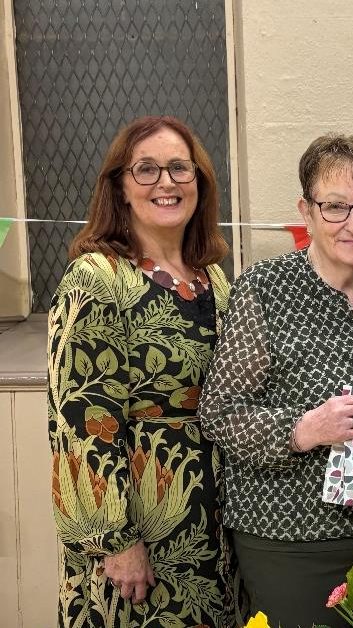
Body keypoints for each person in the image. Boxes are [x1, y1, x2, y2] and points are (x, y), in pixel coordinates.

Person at [198, 133, 353, 627]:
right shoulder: (266, 288)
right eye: (336, 208)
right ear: (306, 210)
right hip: (289, 538)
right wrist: (301, 430)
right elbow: (218, 411)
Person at [47, 115, 234, 626]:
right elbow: (80, 419)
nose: (166, 183)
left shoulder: (214, 278)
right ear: (120, 188)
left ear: (199, 181)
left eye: (179, 168)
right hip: (140, 533)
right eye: (146, 170)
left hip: (213, 525)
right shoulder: (97, 278)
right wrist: (115, 540)